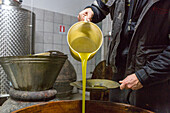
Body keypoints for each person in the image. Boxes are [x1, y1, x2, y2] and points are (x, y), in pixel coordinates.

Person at [78, 0, 170, 113]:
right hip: (120, 75)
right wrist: (93, 10)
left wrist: (145, 75)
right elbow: (103, 4)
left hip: (153, 81)